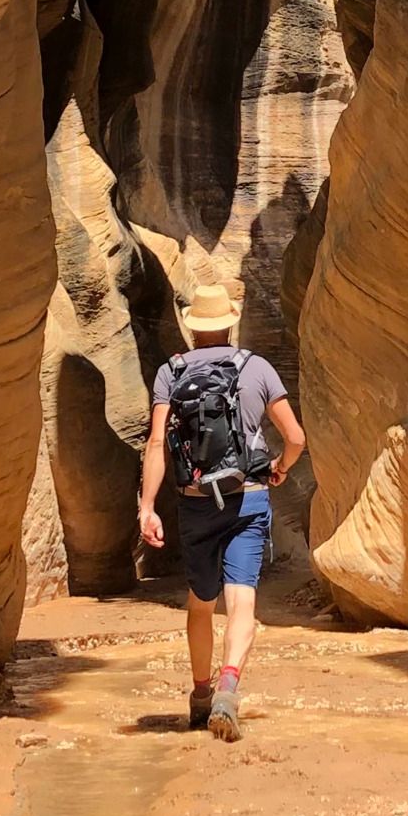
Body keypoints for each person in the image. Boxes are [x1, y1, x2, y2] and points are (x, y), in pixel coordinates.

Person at [138, 280, 305, 742]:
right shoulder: (256, 368)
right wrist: (280, 468)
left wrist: (147, 507)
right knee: (242, 601)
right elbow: (295, 438)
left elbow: (156, 443)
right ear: (230, 324)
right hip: (247, 496)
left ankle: (199, 696)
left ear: (193, 329)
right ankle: (228, 689)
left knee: (200, 604)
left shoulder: (171, 373)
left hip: (195, 504)